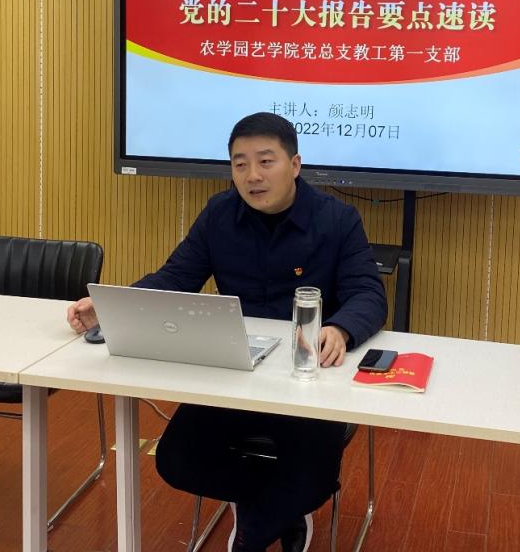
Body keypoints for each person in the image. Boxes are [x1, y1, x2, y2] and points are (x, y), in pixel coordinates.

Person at [66, 111, 387, 552]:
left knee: (313, 477)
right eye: (240, 164)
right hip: (233, 373)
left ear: (295, 165)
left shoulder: (336, 219)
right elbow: (175, 278)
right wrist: (108, 308)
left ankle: (252, 536)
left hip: (305, 382)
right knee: (176, 461)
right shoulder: (219, 214)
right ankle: (281, 508)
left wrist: (341, 328)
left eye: (266, 161)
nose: (252, 176)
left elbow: (368, 293)